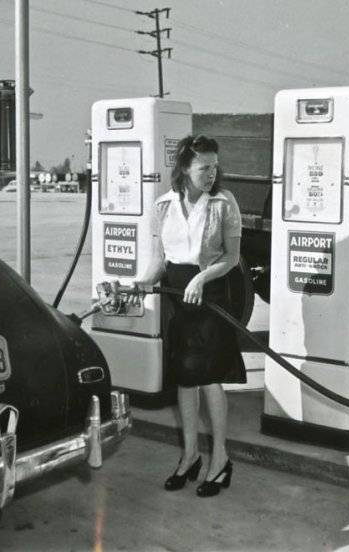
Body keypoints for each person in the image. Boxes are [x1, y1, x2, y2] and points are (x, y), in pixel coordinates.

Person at [132, 134, 246, 498]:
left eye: (214, 167)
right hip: (179, 299)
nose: (211, 174)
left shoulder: (224, 203)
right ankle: (190, 455)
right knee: (184, 378)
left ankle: (221, 460)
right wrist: (141, 282)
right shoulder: (162, 206)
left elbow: (231, 257)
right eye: (203, 167)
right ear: (184, 167)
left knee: (211, 377)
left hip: (212, 294)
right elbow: (159, 260)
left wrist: (201, 277)